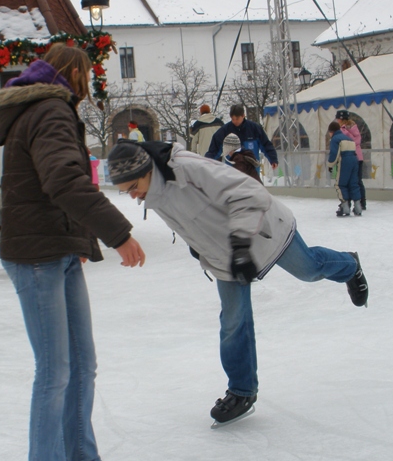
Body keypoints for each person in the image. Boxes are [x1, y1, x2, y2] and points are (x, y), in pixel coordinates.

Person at [107, 139, 368, 426]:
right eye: (126, 191)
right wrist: (199, 248)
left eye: (133, 187)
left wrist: (242, 245)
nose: (133, 196)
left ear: (147, 169)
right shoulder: (153, 191)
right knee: (233, 321)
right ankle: (242, 391)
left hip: (264, 231)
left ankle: (349, 265)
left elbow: (249, 193)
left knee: (310, 270)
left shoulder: (186, 168)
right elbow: (192, 219)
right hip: (225, 257)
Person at [0, 43, 145, 461]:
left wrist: (78, 239)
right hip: (36, 258)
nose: (88, 84)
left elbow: (47, 185)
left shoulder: (44, 109)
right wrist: (118, 233)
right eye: (86, 75)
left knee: (81, 364)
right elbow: (63, 181)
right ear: (73, 73)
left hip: (58, 248)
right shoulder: (51, 110)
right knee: (55, 372)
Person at [205, 104, 279, 172]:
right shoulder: (224, 131)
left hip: (252, 171)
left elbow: (266, 145)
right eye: (232, 119)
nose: (235, 121)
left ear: (243, 116)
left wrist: (273, 159)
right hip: (232, 171)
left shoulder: (254, 128)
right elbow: (214, 150)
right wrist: (207, 162)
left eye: (237, 118)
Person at [327, 121, 362, 217]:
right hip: (354, 161)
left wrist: (330, 165)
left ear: (331, 131)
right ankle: (358, 207)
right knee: (353, 184)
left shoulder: (335, 139)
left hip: (344, 161)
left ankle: (345, 207)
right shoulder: (349, 139)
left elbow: (334, 153)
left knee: (341, 184)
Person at [336, 109, 367, 211]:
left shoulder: (350, 128)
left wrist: (346, 133)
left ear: (341, 119)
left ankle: (360, 202)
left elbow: (356, 141)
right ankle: (350, 202)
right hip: (349, 157)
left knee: (355, 181)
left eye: (338, 118)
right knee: (350, 181)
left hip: (354, 157)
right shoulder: (342, 128)